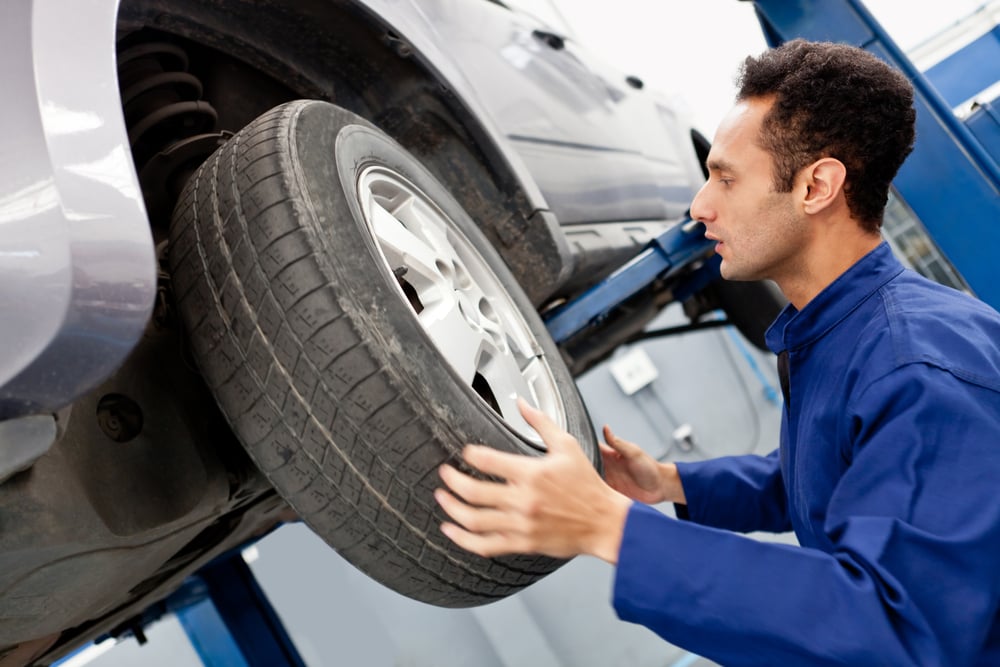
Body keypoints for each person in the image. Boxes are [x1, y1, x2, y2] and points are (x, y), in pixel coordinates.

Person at [434, 39, 1000, 666]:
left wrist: (611, 526)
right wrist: (666, 484)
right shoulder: (845, 333)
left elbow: (897, 631)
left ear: (817, 186)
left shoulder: (920, 366)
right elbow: (819, 478)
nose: (700, 206)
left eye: (725, 178)